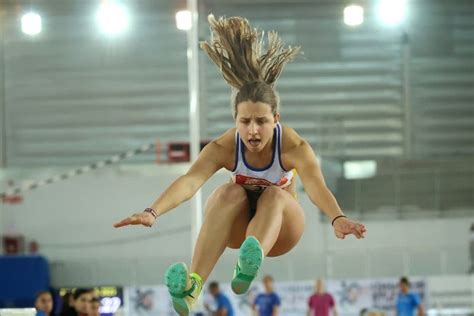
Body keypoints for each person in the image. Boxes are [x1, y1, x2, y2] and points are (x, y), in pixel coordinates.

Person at [113, 14, 366, 316]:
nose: (253, 131)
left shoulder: (293, 146)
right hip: (239, 228)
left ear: (276, 120)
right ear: (235, 120)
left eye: (262, 121)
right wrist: (152, 211)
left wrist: (337, 218)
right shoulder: (224, 146)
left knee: (274, 195)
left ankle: (250, 259)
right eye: (245, 122)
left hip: (282, 229)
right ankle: (193, 288)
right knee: (226, 192)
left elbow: (315, 186)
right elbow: (191, 181)